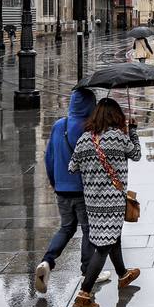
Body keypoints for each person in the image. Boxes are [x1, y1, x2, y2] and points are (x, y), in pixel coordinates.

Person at [34, 89, 112, 294]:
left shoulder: (59, 125)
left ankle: (47, 262)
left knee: (66, 228)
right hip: (83, 190)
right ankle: (88, 271)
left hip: (62, 188)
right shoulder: (92, 129)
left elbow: (48, 158)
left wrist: (55, 183)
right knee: (88, 229)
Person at [71, 97, 142, 307]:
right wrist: (133, 131)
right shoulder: (119, 138)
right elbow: (136, 155)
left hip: (92, 202)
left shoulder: (84, 139)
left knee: (111, 237)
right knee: (103, 246)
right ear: (116, 116)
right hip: (113, 200)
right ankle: (84, 293)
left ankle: (122, 274)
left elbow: (72, 166)